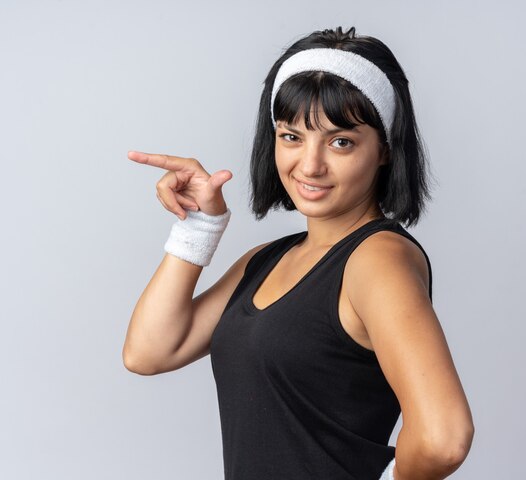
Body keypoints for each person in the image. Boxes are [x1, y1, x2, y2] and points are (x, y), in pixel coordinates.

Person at [123, 26, 474, 480]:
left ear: (384, 150)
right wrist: (200, 226)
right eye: (292, 137)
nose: (310, 165)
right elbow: (149, 352)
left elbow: (443, 439)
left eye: (340, 141)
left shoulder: (377, 259)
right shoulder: (266, 260)